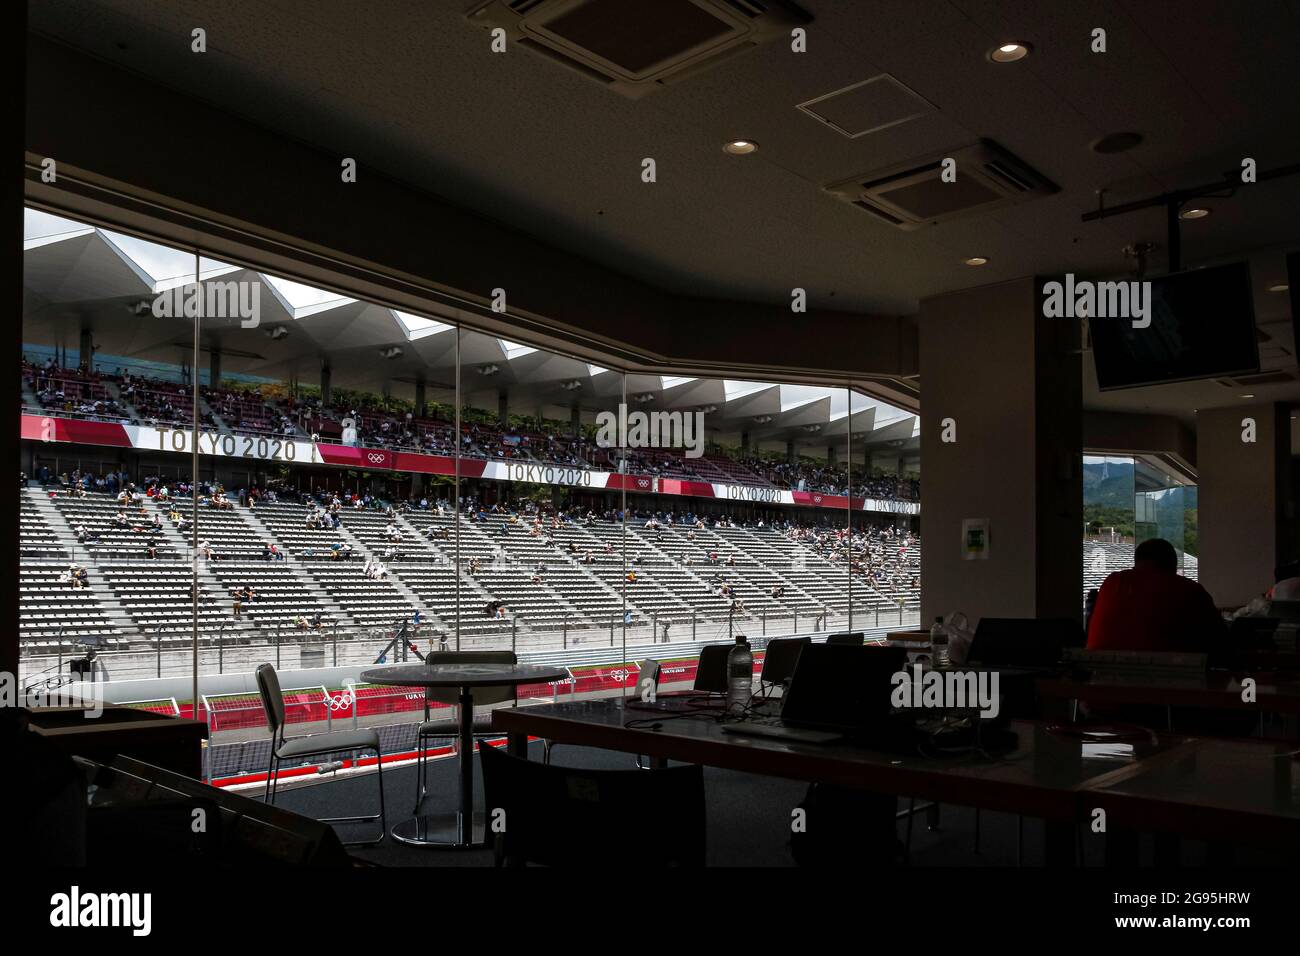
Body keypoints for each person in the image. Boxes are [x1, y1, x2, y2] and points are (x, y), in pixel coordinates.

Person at [1086, 538, 1223, 653]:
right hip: (1168, 675)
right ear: (1173, 565)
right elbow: (1219, 638)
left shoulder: (1112, 582)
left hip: (1098, 671)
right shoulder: (1190, 589)